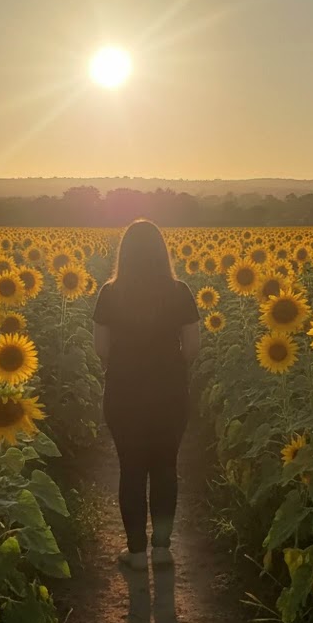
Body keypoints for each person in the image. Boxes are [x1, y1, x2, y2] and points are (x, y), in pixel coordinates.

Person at [93, 220, 201, 571]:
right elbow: (193, 347)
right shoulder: (180, 291)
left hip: (124, 393)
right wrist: (168, 367)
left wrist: (127, 367)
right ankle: (162, 549)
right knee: (166, 467)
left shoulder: (110, 293)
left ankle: (136, 552)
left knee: (132, 469)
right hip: (170, 393)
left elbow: (101, 348)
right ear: (161, 252)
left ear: (125, 254)